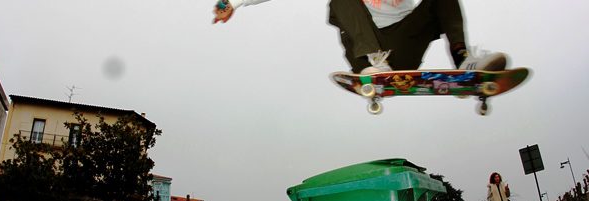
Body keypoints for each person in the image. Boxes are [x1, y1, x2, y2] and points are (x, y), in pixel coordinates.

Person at [213, 0, 508, 74]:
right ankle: (374, 60)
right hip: (365, 54)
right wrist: (234, 3)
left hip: (405, 46)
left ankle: (464, 60)